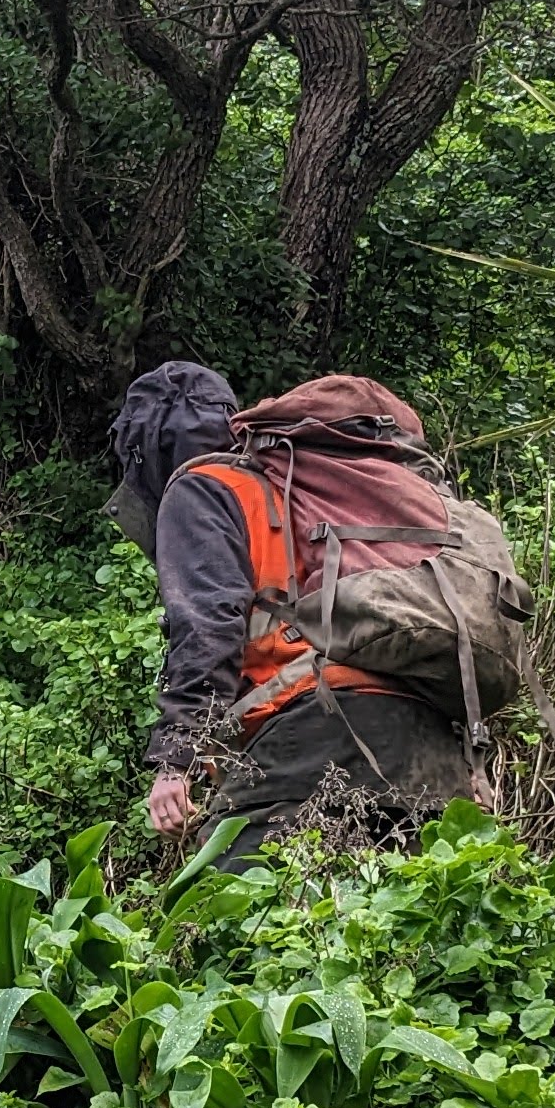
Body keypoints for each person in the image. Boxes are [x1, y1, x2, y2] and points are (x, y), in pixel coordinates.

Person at [125, 368, 478, 867]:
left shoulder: (208, 488)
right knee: (407, 932)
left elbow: (209, 625)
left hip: (312, 734)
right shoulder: (315, 492)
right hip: (432, 749)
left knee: (234, 922)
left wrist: (175, 761)